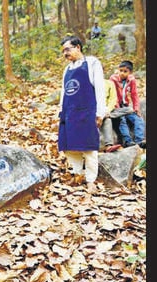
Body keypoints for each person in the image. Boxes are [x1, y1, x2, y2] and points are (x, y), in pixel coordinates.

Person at [57, 35, 106, 194]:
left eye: (68, 49)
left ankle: (91, 180)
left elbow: (99, 88)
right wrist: (60, 112)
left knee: (89, 147)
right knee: (70, 147)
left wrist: (100, 112)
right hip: (69, 112)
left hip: (86, 111)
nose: (65, 53)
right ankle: (78, 175)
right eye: (63, 51)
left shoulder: (92, 63)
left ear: (78, 47)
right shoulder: (67, 69)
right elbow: (64, 92)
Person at [109, 60, 146, 148]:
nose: (122, 73)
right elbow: (112, 95)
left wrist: (136, 107)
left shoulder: (131, 80)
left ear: (130, 72)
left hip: (126, 106)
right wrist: (117, 107)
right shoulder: (113, 79)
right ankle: (127, 141)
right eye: (120, 70)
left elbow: (134, 94)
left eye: (125, 71)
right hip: (116, 106)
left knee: (138, 118)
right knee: (122, 120)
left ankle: (139, 140)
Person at [100, 79, 122, 152]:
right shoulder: (88, 83)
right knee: (108, 120)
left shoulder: (109, 83)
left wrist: (107, 110)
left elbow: (113, 99)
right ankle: (108, 146)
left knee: (129, 109)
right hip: (94, 111)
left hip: (107, 110)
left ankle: (109, 146)